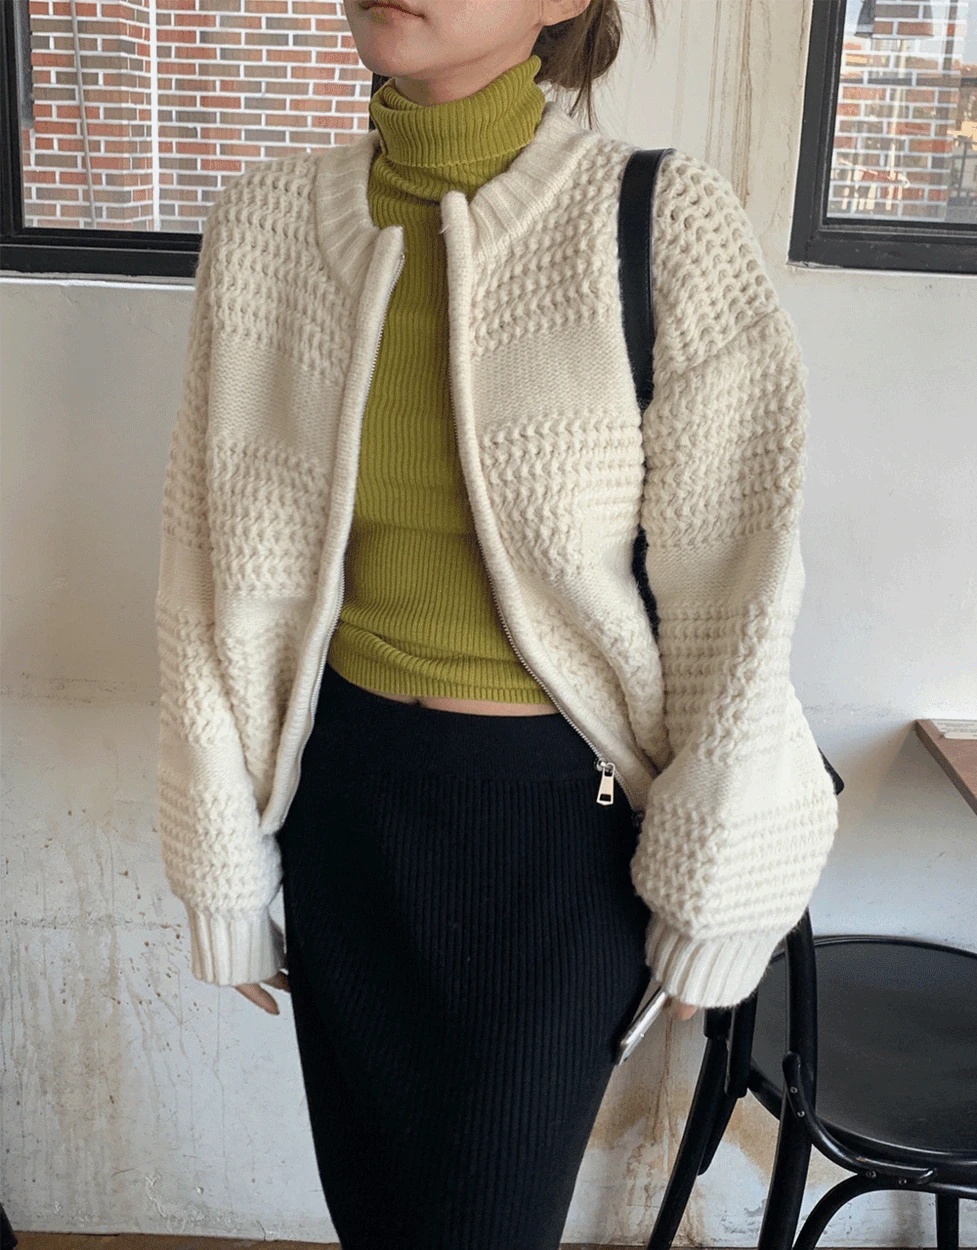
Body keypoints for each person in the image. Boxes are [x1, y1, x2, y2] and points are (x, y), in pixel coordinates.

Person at [153, 0, 840, 1243]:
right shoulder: (263, 227)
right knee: (374, 1213)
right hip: (343, 810)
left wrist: (711, 891)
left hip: (550, 839)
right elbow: (208, 573)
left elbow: (733, 594)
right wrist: (220, 860)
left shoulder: (660, 223)